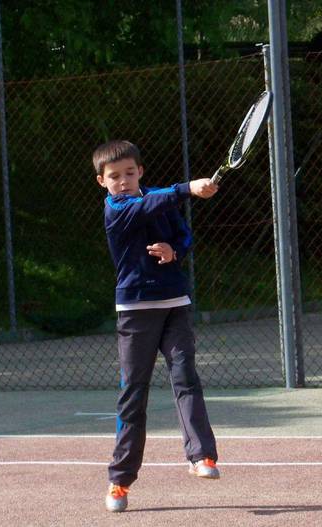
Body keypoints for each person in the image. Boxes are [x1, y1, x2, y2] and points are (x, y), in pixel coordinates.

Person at [93, 140, 220, 513]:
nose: (123, 181)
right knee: (133, 393)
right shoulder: (117, 208)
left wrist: (174, 252)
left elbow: (183, 236)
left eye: (129, 173)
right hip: (135, 310)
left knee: (185, 376)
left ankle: (202, 457)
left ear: (140, 172)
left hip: (175, 304)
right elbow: (150, 205)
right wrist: (187, 189)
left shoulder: (157, 197)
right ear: (102, 182)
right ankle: (119, 481)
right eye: (114, 177)